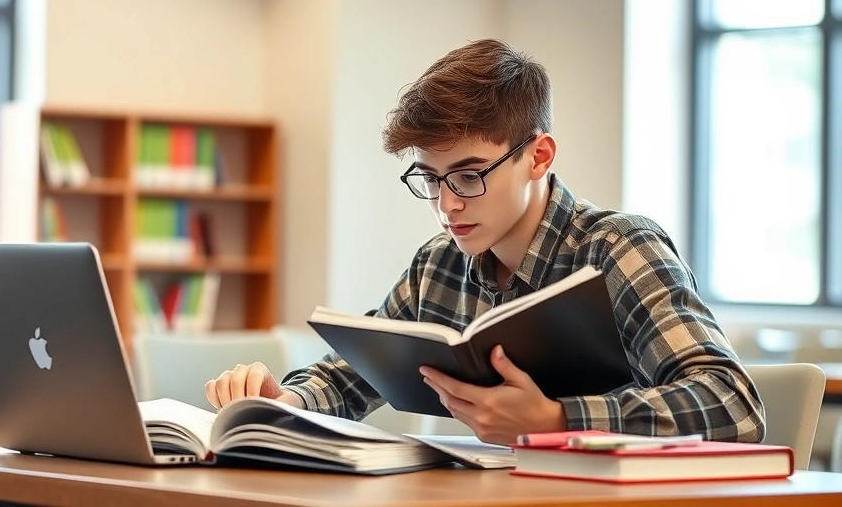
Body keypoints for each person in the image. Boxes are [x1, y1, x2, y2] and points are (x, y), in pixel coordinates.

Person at [204, 39, 765, 445]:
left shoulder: (618, 248)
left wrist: (557, 419)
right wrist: (287, 401)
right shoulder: (439, 265)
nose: (447, 205)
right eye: (429, 178)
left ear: (538, 156)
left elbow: (732, 403)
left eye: (470, 175)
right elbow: (354, 376)